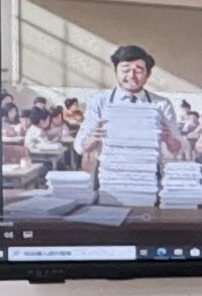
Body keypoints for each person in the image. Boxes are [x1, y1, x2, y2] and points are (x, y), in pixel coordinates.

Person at [79, 44, 185, 207]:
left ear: (148, 74)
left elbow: (177, 148)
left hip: (148, 178)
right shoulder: (99, 102)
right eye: (125, 70)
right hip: (110, 178)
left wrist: (170, 139)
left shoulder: (161, 104)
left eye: (139, 70)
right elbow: (81, 146)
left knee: (147, 218)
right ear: (115, 71)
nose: (131, 76)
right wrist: (93, 138)